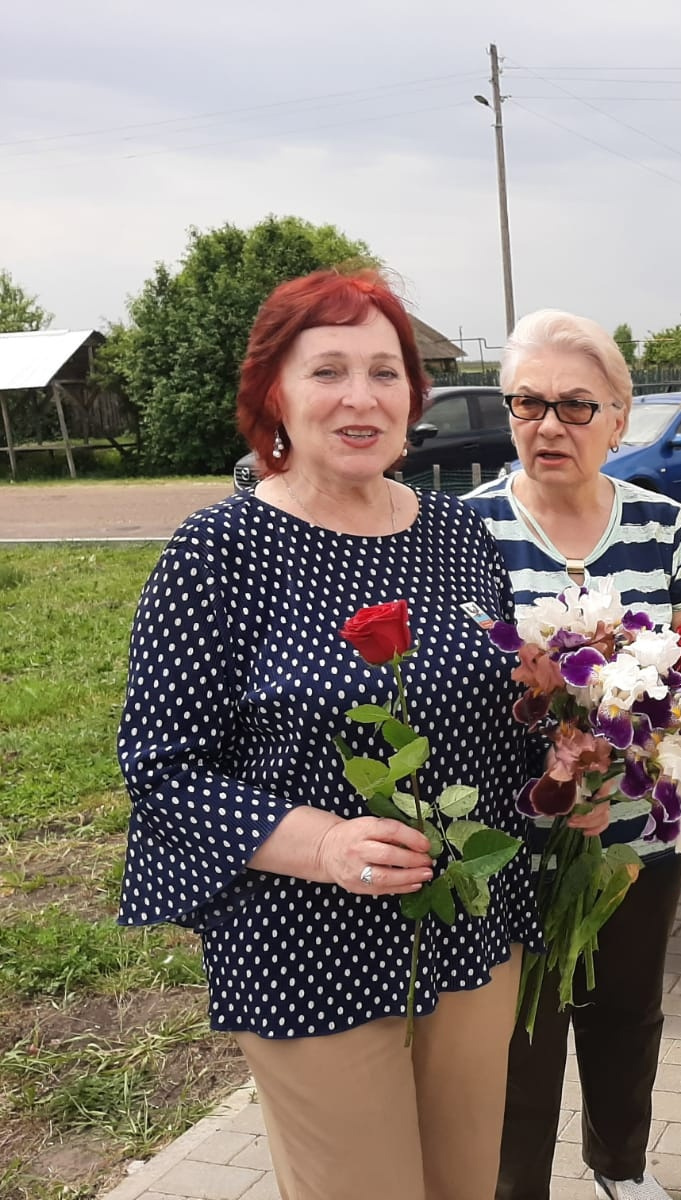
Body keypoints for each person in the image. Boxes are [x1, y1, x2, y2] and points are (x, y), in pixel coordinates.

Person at [117, 268, 535, 1200]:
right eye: (328, 371)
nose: (361, 397)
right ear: (275, 393)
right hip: (307, 941)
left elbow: (495, 712)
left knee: (466, 1180)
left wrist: (570, 768)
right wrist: (326, 845)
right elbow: (161, 768)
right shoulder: (217, 554)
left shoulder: (458, 537)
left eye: (385, 373)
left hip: (470, 920)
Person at [462, 310, 681, 1200]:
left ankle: (621, 1169)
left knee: (626, 1013)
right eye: (527, 403)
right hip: (510, 841)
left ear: (619, 418)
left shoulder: (662, 524)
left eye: (575, 405)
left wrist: (627, 743)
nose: (549, 425)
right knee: (518, 1037)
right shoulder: (462, 529)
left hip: (637, 833)